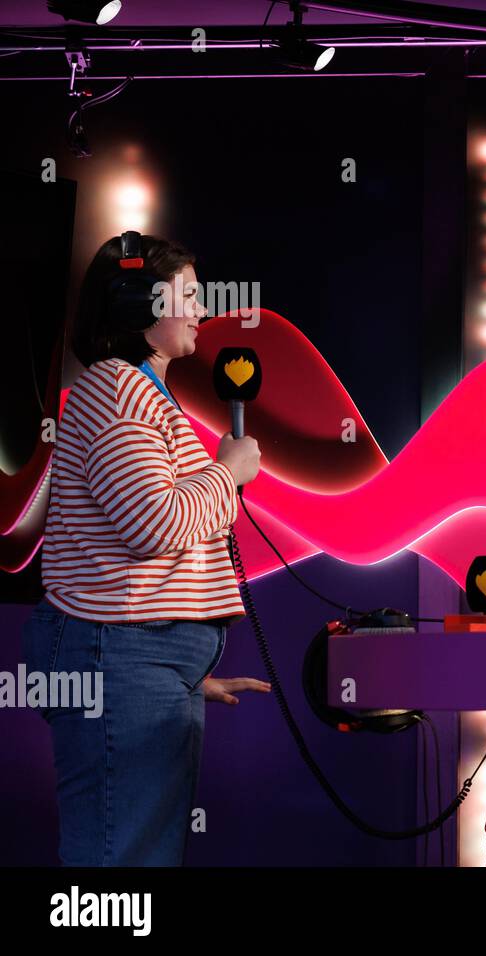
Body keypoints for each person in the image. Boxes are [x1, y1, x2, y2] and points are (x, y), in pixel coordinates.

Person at [21, 232, 269, 866]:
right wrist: (228, 472)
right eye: (187, 295)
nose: (200, 309)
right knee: (120, 867)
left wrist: (180, 671)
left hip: (137, 664)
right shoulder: (116, 390)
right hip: (119, 658)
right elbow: (152, 524)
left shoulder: (141, 395)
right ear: (138, 308)